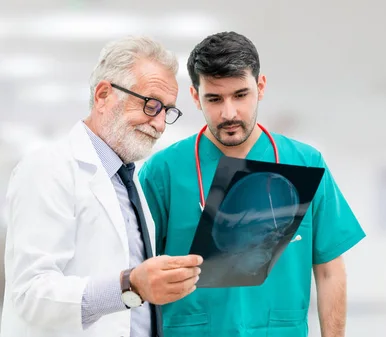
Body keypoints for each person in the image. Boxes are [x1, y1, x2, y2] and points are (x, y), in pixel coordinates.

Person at [138, 31, 366, 337]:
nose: (229, 113)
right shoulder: (163, 172)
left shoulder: (305, 163)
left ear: (260, 87)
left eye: (240, 95)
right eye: (214, 99)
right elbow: (138, 274)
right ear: (195, 97)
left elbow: (329, 270)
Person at [0, 36, 203, 337]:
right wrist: (129, 286)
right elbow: (31, 293)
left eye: (167, 111)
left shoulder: (129, 185)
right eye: (151, 105)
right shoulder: (47, 168)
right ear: (104, 95)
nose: (160, 124)